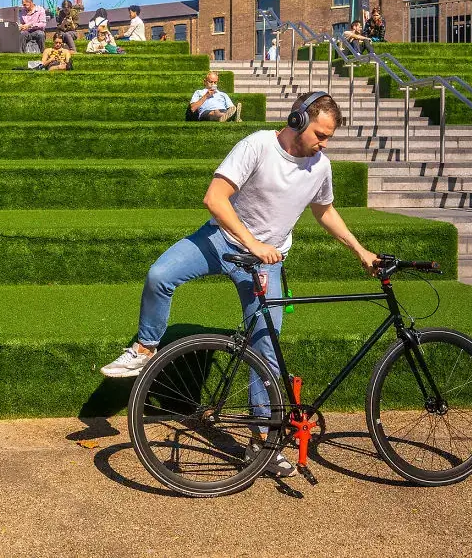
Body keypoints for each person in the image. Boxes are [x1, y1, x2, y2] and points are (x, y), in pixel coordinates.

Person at [99, 92, 378, 476]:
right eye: (319, 133)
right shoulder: (258, 145)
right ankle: (145, 347)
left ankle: (262, 443)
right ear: (297, 119)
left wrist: (360, 250)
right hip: (221, 241)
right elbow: (215, 198)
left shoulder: (320, 166)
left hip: (267, 262)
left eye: (329, 137)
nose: (323, 143)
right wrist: (252, 242)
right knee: (160, 275)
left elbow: (324, 210)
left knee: (264, 348)